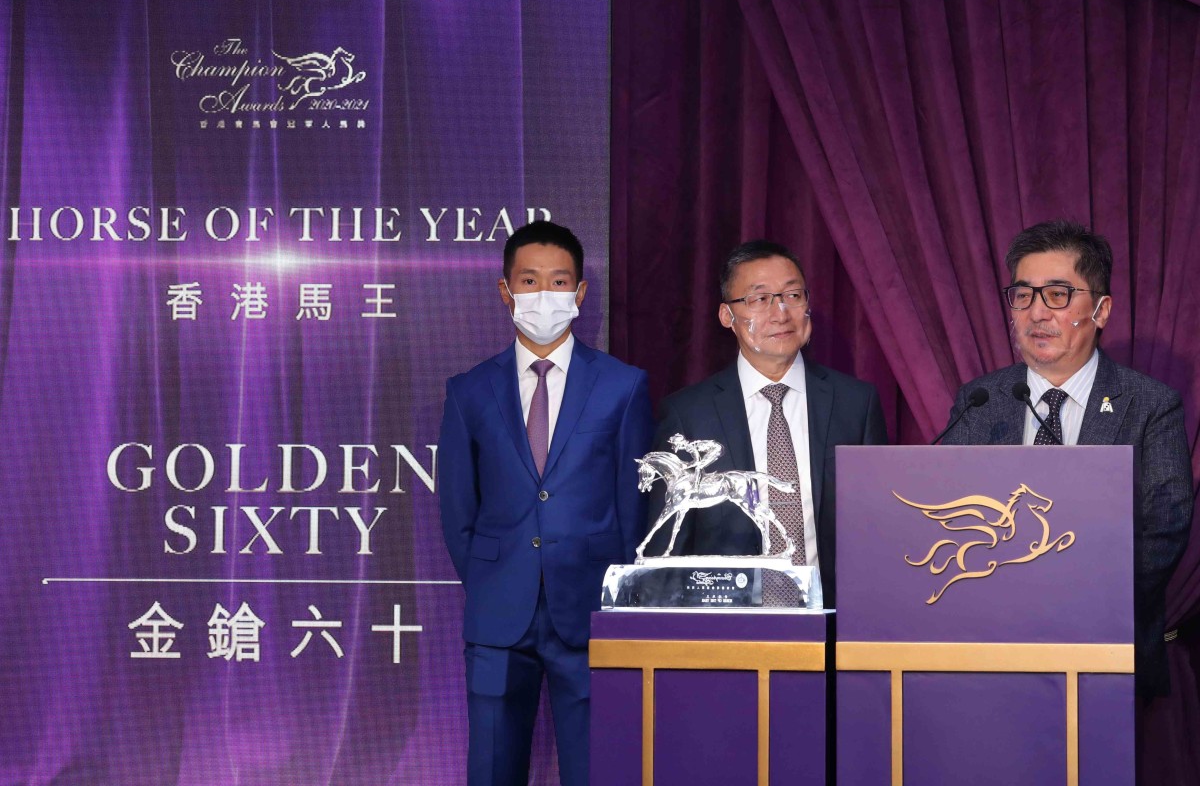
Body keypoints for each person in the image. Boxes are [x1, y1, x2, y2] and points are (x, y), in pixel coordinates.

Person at [940, 219, 1193, 697]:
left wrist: (1076, 601)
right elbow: (952, 513)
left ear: (1100, 310)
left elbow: (1165, 528)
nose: (1037, 313)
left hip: (1106, 647)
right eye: (1023, 294)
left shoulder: (1150, 405)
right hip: (989, 649)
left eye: (1058, 294)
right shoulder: (980, 400)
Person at [438, 221, 653, 785]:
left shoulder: (623, 385)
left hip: (588, 609)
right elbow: (458, 510)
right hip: (498, 612)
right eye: (528, 281)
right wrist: (493, 579)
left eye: (558, 282)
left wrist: (614, 591)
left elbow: (634, 510)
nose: (543, 296)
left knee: (594, 768)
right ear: (505, 291)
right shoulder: (469, 391)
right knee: (491, 767)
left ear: (580, 294)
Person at [642, 240, 888, 607]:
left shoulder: (856, 403)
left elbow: (878, 527)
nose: (781, 312)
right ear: (728, 316)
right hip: (729, 635)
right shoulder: (688, 414)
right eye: (760, 299)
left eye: (793, 295)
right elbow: (669, 553)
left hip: (839, 628)